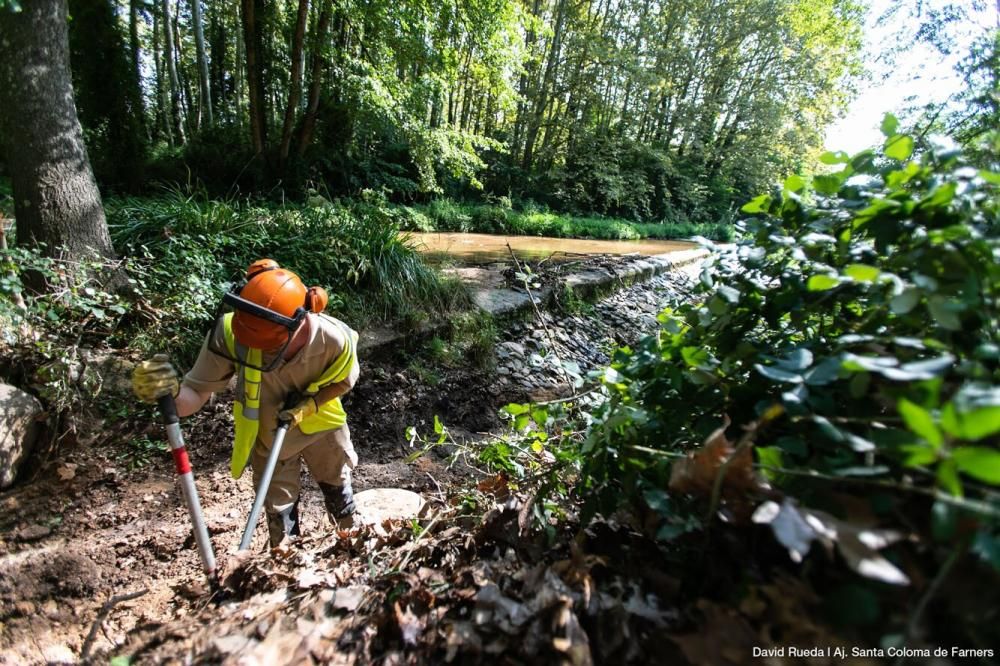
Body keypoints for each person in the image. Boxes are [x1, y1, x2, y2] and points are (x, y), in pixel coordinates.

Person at [131, 259, 361, 547]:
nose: (253, 345)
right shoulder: (233, 333)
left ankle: (353, 541)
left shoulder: (333, 340)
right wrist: (167, 394)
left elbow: (345, 381)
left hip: (323, 430)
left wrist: (310, 405)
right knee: (279, 510)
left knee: (337, 486)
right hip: (269, 438)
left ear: (297, 322)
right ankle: (287, 563)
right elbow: (193, 396)